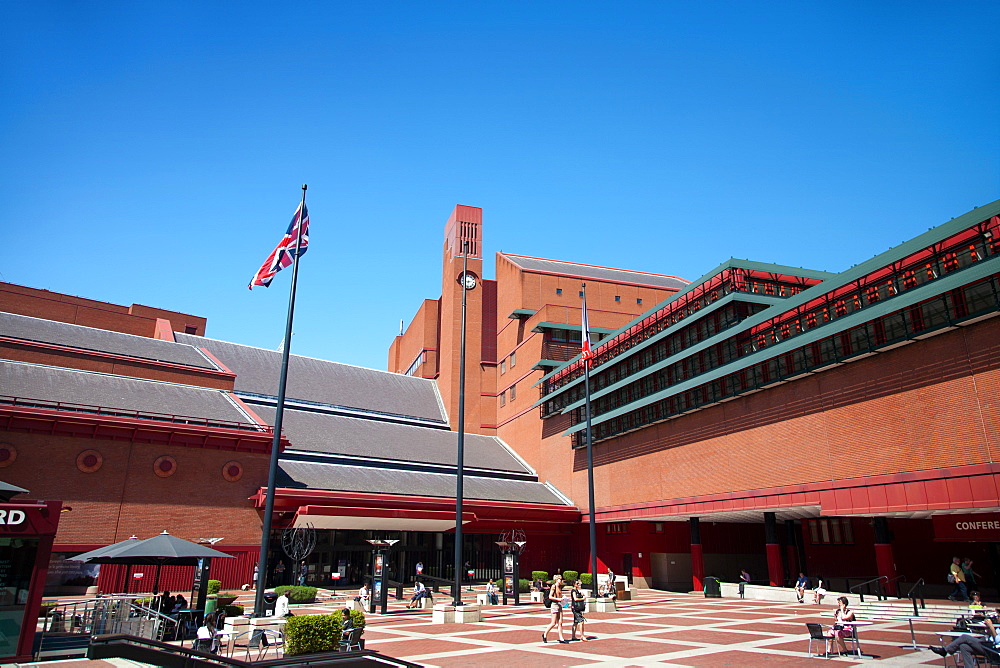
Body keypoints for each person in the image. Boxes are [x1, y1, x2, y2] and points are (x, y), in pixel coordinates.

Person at [930, 617, 1000, 666]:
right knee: (964, 646)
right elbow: (993, 636)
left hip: (994, 650)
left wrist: (991, 627)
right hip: (987, 645)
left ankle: (945, 650)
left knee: (965, 637)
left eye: (999, 616)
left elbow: (997, 640)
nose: (997, 618)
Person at [542, 574, 569, 644]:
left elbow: (560, 595)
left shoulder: (560, 587)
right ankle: (545, 634)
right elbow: (550, 597)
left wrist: (563, 598)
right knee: (553, 623)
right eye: (560, 579)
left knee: (560, 622)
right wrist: (558, 599)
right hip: (554, 604)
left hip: (559, 604)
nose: (561, 580)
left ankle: (561, 638)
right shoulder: (553, 586)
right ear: (556, 580)